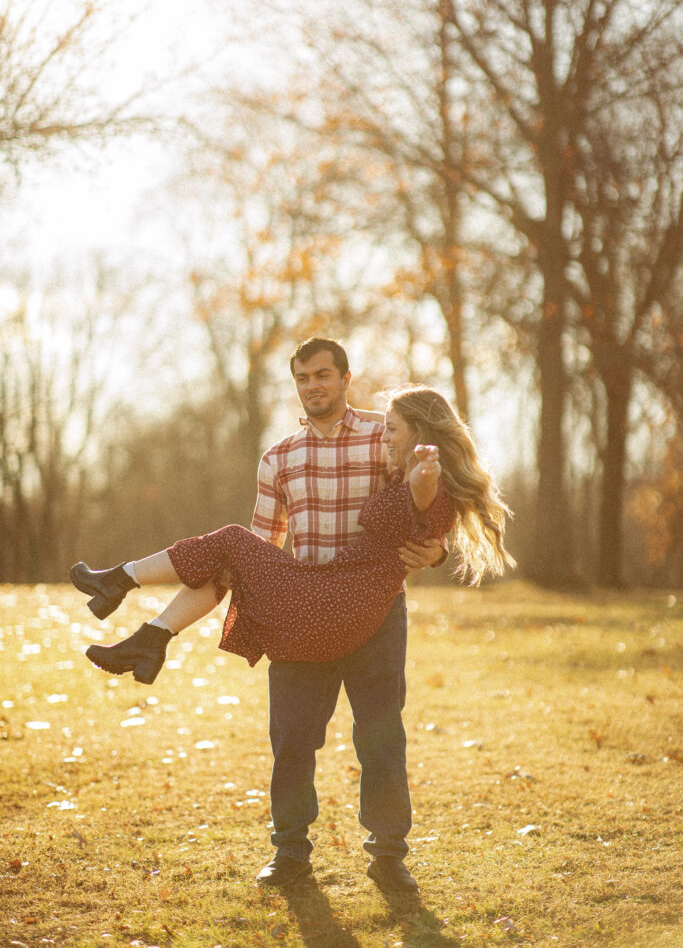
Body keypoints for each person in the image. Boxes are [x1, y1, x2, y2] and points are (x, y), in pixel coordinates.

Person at [71, 338, 514, 894]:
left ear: (346, 377)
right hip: (303, 605)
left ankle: (388, 855)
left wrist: (438, 549)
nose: (313, 386)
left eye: (323, 374)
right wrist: (252, 582)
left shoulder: (387, 434)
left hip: (374, 614)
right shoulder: (278, 458)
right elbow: (261, 546)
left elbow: (426, 505)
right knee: (291, 740)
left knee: (381, 737)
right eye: (303, 377)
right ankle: (289, 852)